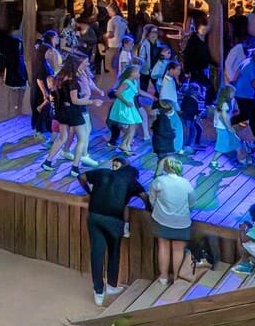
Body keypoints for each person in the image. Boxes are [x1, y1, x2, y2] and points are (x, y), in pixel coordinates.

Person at [78, 153, 148, 307]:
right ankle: (111, 285)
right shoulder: (132, 181)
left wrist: (89, 191)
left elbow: (81, 176)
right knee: (113, 253)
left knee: (97, 252)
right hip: (114, 220)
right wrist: (149, 209)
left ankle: (98, 291)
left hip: (95, 216)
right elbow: (145, 197)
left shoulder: (103, 172)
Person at [149, 156, 200, 285]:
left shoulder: (159, 181)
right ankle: (177, 278)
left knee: (163, 247)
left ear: (166, 167)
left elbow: (152, 200)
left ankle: (163, 277)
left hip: (161, 220)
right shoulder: (186, 183)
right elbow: (192, 202)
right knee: (178, 250)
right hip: (181, 223)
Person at [107, 66, 144, 154]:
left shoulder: (134, 82)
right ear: (132, 73)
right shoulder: (126, 82)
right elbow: (117, 93)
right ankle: (124, 144)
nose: (139, 74)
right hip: (124, 105)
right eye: (138, 72)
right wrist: (126, 101)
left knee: (135, 124)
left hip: (130, 105)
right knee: (132, 125)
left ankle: (126, 144)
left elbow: (136, 92)